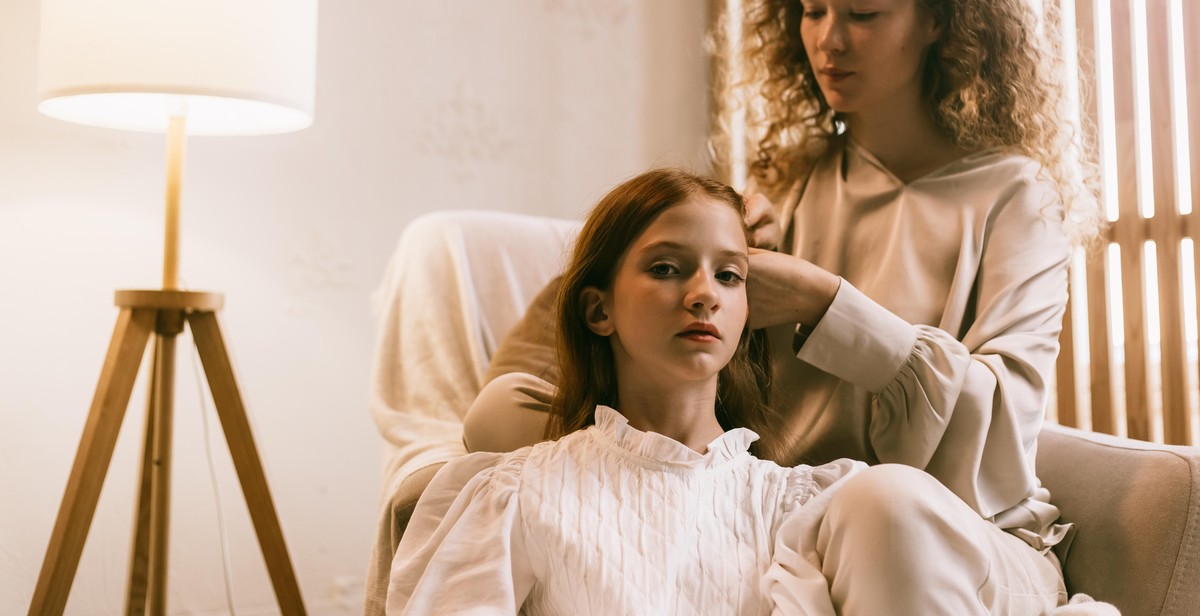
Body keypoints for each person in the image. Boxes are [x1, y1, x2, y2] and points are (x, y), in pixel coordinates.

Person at [459, 0, 1106, 613]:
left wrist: (827, 304)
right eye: (811, 10)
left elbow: (1003, 423)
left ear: (940, 19)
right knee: (501, 415)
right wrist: (712, 259)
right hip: (781, 518)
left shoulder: (1019, 197)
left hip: (961, 535)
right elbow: (581, 315)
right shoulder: (787, 189)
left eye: (864, 13)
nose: (830, 39)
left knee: (878, 504)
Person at [386, 168, 865, 614]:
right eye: (664, 268)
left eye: (728, 275)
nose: (705, 294)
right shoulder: (517, 493)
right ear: (598, 311)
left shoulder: (802, 509)